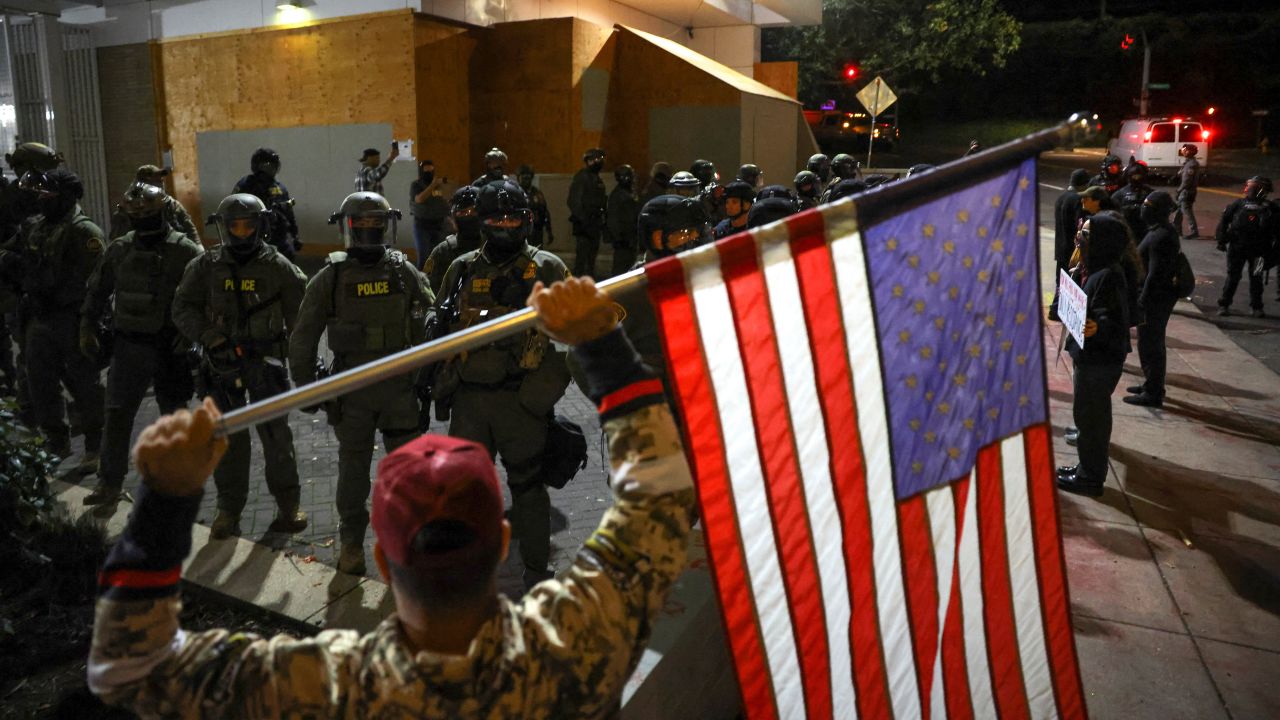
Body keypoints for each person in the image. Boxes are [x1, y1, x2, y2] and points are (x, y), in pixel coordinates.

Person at [87, 277, 696, 718]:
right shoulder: (579, 636)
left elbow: (128, 669)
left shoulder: (328, 690)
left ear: (382, 559)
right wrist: (600, 341)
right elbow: (661, 486)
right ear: (502, 541)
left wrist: (166, 496)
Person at [434, 180, 571, 588]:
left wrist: (537, 397)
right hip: (471, 402)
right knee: (466, 492)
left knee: (528, 489)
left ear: (528, 222)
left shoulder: (547, 268)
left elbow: (571, 339)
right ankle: (467, 568)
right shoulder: (461, 269)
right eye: (498, 218)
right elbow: (440, 333)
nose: (507, 227)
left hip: (521, 402)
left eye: (516, 218)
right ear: (482, 221)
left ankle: (535, 569)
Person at [289, 192, 435, 574]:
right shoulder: (335, 276)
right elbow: (303, 337)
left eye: (377, 224)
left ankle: (389, 544)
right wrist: (308, 388)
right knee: (358, 471)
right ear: (351, 227)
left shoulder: (401, 272)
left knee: (394, 471)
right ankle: (355, 544)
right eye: (364, 224)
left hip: (388, 391)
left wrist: (308, 388)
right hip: (364, 392)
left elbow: (430, 322)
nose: (370, 231)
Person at [172, 193, 307, 538]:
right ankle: (229, 509)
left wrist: (301, 356)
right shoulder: (205, 266)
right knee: (226, 440)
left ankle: (288, 505)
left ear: (261, 226)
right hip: (220, 365)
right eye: (235, 226)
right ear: (224, 227)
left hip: (266, 363)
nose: (242, 232)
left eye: (249, 225)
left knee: (277, 438)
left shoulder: (278, 267)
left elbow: (301, 314)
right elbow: (183, 306)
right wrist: (208, 336)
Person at [81, 183, 204, 505]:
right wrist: (86, 326)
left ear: (162, 212)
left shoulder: (185, 251)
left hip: (169, 346)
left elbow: (205, 297)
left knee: (173, 417)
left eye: (146, 214)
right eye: (136, 215)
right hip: (129, 344)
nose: (141, 220)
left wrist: (191, 335)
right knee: (117, 415)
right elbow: (96, 291)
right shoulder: (120, 249)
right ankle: (109, 483)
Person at [2, 169, 105, 465]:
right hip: (39, 317)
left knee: (85, 383)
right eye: (42, 194)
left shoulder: (84, 232)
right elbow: (10, 253)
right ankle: (57, 441)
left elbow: (96, 284)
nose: (43, 199)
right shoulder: (37, 227)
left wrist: (90, 324)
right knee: (41, 383)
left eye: (49, 194)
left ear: (68, 197)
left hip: (71, 317)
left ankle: (96, 444)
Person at [1057, 213, 1132, 497]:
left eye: (1086, 234)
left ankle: (1089, 478)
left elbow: (1117, 319)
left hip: (1100, 360)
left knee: (1093, 419)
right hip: (1092, 358)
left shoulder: (1109, 275)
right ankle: (1085, 468)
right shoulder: (1096, 268)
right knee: (1087, 416)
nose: (1080, 238)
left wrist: (1097, 326)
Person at [1125, 191, 1181, 408]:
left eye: (1147, 206)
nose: (1143, 209)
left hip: (1154, 301)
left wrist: (1143, 300)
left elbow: (1155, 274)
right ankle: (1151, 383)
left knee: (1152, 345)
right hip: (1154, 299)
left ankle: (1153, 392)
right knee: (1148, 343)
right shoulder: (1158, 231)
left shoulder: (1162, 236)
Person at [1215, 176, 1277, 317]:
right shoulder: (1266, 207)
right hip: (1248, 249)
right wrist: (1221, 240)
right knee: (1247, 277)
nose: (1250, 190)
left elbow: (1223, 223)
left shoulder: (1266, 208)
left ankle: (1234, 305)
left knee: (1244, 276)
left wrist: (1221, 241)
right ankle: (1246, 307)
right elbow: (1224, 223)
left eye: (1252, 187)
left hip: (1252, 249)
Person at [233, 148, 301, 261]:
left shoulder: (280, 187)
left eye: (273, 166)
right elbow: (233, 208)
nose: (271, 169)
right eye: (268, 165)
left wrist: (295, 235)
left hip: (280, 239)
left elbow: (289, 213)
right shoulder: (246, 184)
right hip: (254, 238)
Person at [109, 165, 199, 242]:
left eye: (161, 180)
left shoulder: (171, 204)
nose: (160, 183)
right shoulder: (129, 207)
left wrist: (198, 250)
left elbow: (190, 230)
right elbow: (117, 239)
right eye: (155, 181)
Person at [423, 185, 483, 295]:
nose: (469, 216)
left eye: (474, 211)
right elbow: (429, 293)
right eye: (463, 212)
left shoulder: (494, 247)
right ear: (453, 217)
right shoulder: (442, 251)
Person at [567, 147, 607, 277]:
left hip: (594, 224)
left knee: (591, 260)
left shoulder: (596, 179)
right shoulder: (582, 177)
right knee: (582, 259)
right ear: (588, 161)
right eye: (596, 159)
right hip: (585, 226)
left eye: (601, 159)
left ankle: (588, 283)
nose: (599, 162)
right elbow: (574, 201)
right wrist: (585, 220)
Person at [409, 159, 450, 269]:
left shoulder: (439, 186)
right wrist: (432, 185)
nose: (429, 174)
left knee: (438, 256)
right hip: (422, 226)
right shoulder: (416, 185)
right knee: (424, 258)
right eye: (427, 172)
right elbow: (419, 199)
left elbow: (444, 203)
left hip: (439, 225)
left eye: (432, 171)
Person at [605, 164, 640, 276]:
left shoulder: (627, 193)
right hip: (624, 241)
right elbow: (613, 220)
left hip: (629, 239)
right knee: (620, 270)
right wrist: (620, 238)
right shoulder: (618, 196)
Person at [1055, 169, 1091, 276]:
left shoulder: (1061, 197)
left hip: (1060, 249)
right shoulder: (1078, 199)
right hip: (1072, 251)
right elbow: (1079, 224)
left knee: (1060, 282)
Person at [1111, 161, 1153, 241]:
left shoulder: (1149, 191)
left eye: (1138, 176)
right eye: (1134, 176)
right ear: (1129, 177)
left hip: (1145, 229)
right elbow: (1111, 208)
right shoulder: (1121, 193)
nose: (1137, 179)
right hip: (1127, 229)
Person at [516, 164, 553, 249]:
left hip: (536, 230)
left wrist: (549, 230)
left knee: (536, 255)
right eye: (524, 178)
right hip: (521, 230)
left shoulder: (537, 193)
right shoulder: (515, 193)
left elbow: (544, 211)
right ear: (519, 178)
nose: (526, 180)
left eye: (528, 178)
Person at [1174, 143, 1201, 239]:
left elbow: (1187, 181)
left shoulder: (1191, 164)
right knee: (1178, 210)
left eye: (1185, 149)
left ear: (1191, 152)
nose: (1183, 151)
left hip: (1187, 191)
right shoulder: (1188, 163)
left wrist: (1179, 190)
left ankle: (1194, 231)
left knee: (1187, 211)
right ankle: (1176, 230)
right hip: (1186, 191)